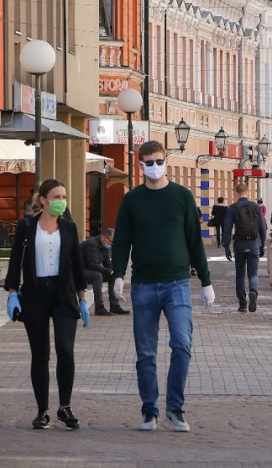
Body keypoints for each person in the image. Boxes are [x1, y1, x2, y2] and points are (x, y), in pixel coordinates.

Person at [111, 141, 215, 433]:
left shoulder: (182, 197)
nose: (154, 167)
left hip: (177, 284)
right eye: (148, 163)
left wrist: (206, 282)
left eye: (158, 161)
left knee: (182, 344)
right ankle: (149, 410)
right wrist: (118, 274)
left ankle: (175, 408)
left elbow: (195, 241)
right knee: (145, 352)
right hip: (143, 285)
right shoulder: (132, 201)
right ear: (140, 165)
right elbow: (121, 241)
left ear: (165, 160)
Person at [4, 178, 88, 430]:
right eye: (56, 197)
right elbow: (16, 259)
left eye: (64, 197)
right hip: (35, 295)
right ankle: (42, 410)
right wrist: (11, 292)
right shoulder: (27, 226)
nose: (61, 202)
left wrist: (83, 299)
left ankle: (65, 406)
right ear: (43, 200)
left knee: (65, 349)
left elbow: (77, 264)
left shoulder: (70, 228)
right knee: (40, 354)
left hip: (64, 295)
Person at [223, 182, 267, 313]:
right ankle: (253, 291)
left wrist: (226, 246)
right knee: (253, 274)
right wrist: (262, 244)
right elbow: (262, 227)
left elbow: (227, 229)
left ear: (236, 193)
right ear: (248, 193)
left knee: (240, 274)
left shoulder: (232, 208)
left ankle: (242, 304)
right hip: (254, 243)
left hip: (240, 245)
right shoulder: (255, 206)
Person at [80, 228, 129, 316]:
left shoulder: (105, 246)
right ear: (103, 238)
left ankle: (114, 306)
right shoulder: (92, 244)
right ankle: (99, 308)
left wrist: (114, 272)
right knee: (97, 276)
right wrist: (109, 271)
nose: (112, 244)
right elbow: (93, 265)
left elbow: (107, 264)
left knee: (112, 276)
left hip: (90, 270)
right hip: (78, 271)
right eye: (111, 241)